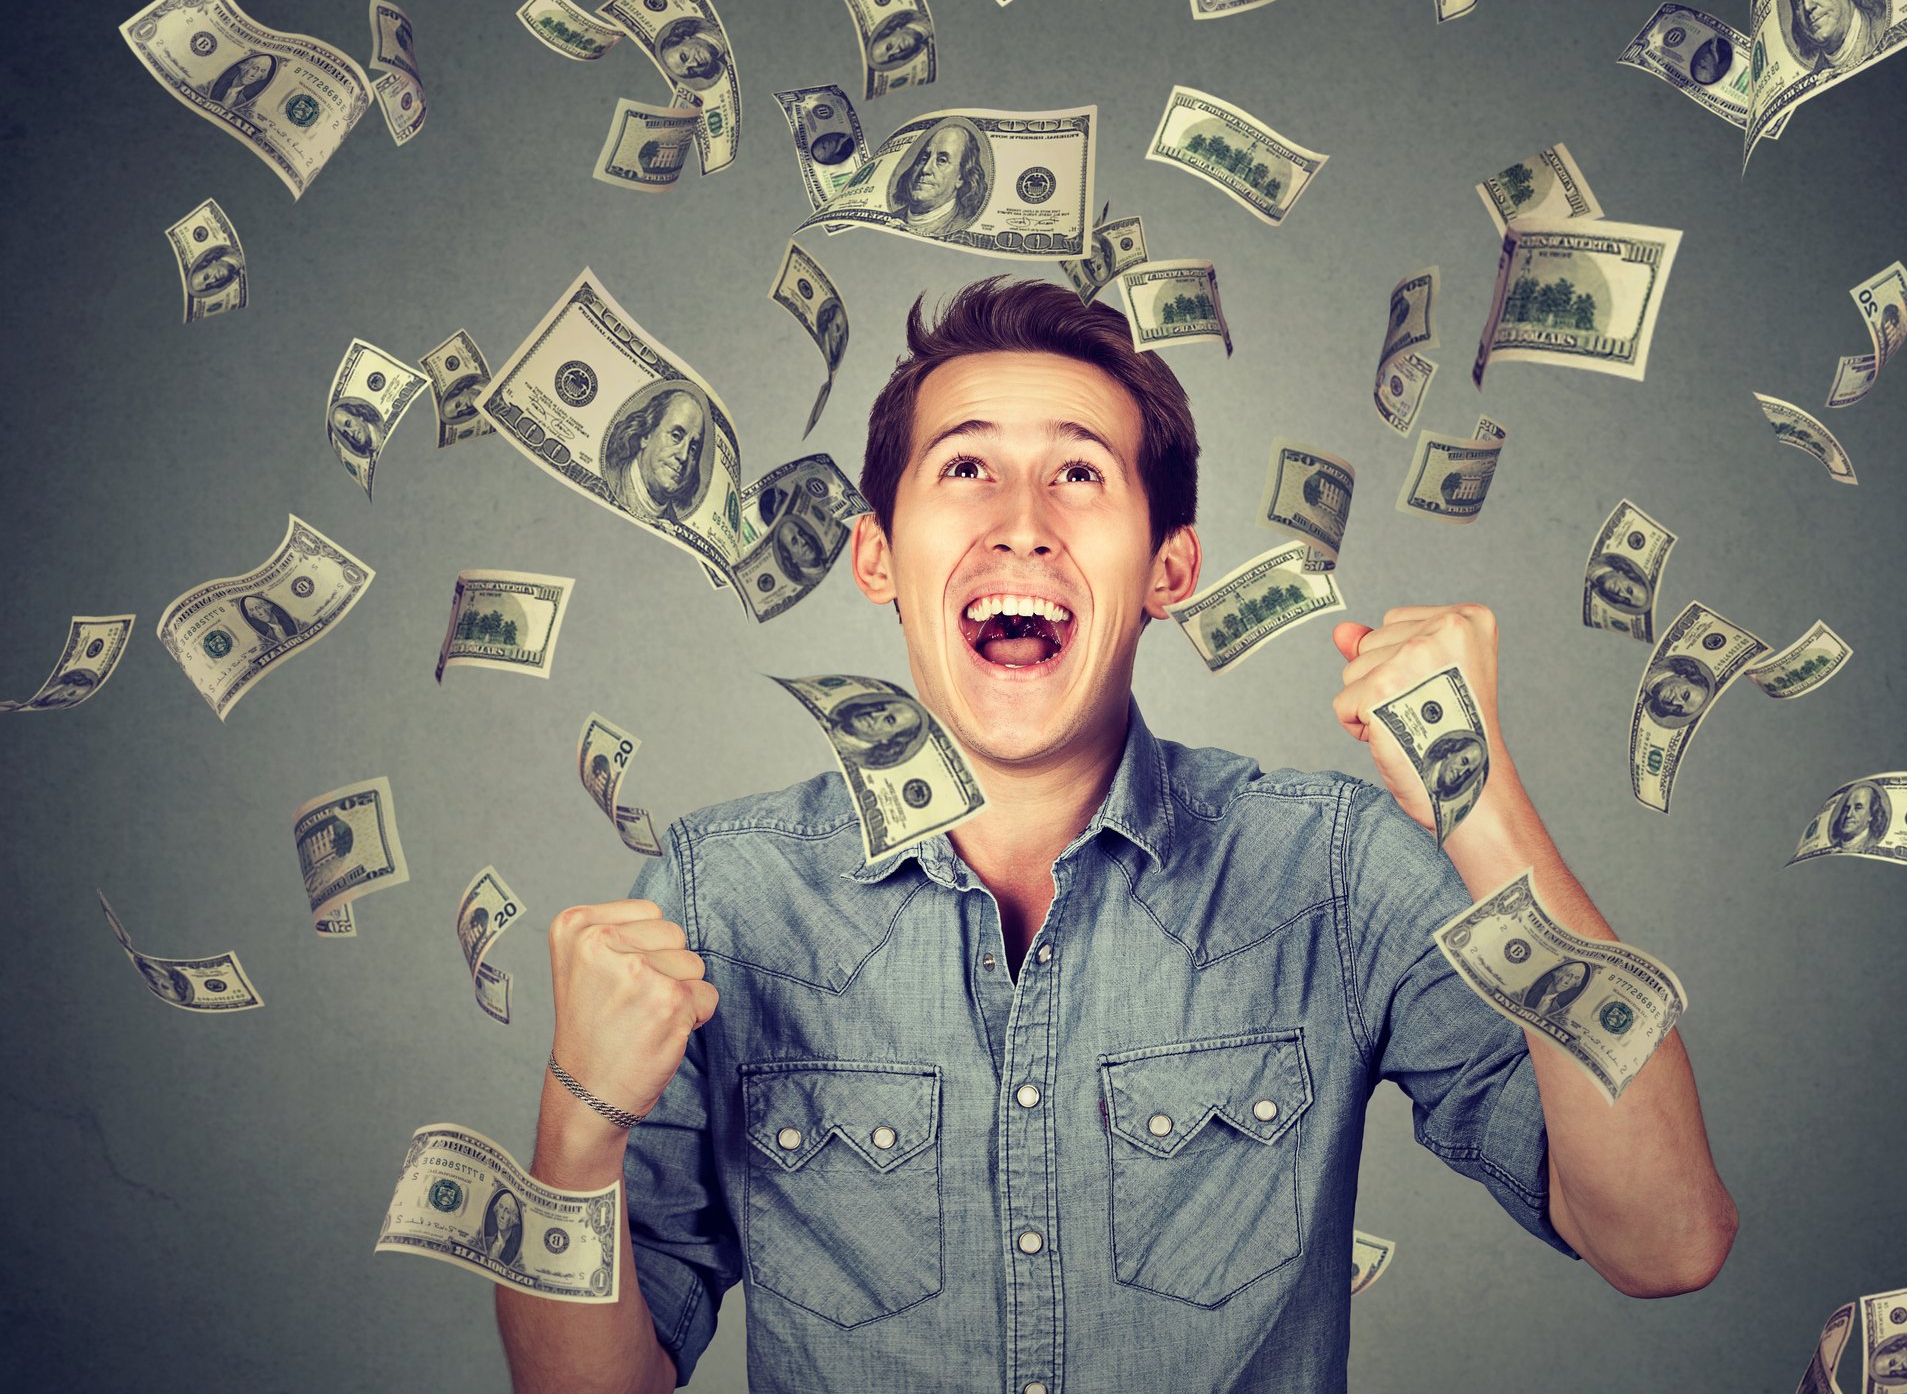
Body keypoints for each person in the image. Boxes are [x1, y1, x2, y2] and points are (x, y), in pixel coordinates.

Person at [498, 279, 1737, 1393]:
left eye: (1081, 473)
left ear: (1170, 566)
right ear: (877, 554)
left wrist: (1484, 803)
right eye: (965, 468)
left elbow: (1665, 1240)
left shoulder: (1332, 873)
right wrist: (575, 1127)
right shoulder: (721, 897)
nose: (1022, 521)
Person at [601, 381, 712, 528]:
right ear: (646, 434)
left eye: (693, 449)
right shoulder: (607, 483)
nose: (683, 456)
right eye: (676, 436)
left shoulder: (674, 526)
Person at [887, 118, 989, 240]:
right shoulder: (892, 218)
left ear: (961, 177)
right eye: (924, 158)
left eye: (942, 161)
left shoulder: (961, 226)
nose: (925, 169)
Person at [653, 17, 727, 93]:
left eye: (684, 57)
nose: (694, 64)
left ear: (685, 38)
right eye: (691, 71)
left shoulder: (711, 24)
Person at [1642, 653, 1716, 725]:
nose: (1675, 702)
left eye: (1678, 709)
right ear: (1684, 676)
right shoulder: (1657, 659)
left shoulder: (1638, 701)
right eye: (1685, 695)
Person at [1828, 781, 1888, 854]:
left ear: (1871, 814)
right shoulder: (1836, 846)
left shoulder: (1872, 843)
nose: (1848, 815)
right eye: (1847, 809)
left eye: (1858, 808)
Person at [1519, 959, 1592, 1020]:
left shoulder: (1556, 1008)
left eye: (1576, 978)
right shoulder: (1531, 991)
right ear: (1558, 973)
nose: (1568, 982)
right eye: (1568, 975)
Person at [865, 11, 933, 75]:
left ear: (893, 30)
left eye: (889, 46)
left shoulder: (920, 17)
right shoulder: (927, 46)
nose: (897, 51)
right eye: (892, 57)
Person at [1589, 554, 1654, 616]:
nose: (1621, 594)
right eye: (1629, 590)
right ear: (1625, 574)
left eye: (1626, 600)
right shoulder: (1599, 560)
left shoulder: (1591, 589)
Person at [208, 53, 276, 113]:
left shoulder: (243, 101)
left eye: (262, 71)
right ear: (245, 66)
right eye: (254, 68)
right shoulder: (215, 84)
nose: (254, 75)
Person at [480, 1187, 524, 1266]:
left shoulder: (515, 1251)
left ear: (513, 1218)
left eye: (507, 1211)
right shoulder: (486, 1241)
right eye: (501, 1207)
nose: (502, 1215)